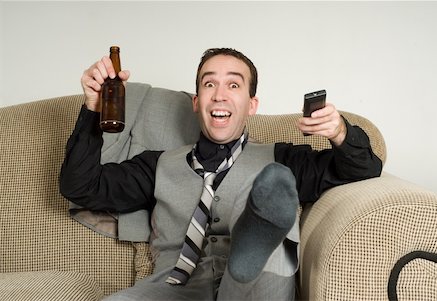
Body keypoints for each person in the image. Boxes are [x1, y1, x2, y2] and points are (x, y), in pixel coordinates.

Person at [60, 48, 382, 300]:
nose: (220, 94)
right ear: (197, 102)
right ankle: (252, 241)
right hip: (176, 285)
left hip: (259, 287)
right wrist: (92, 107)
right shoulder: (156, 165)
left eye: (233, 84)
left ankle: (255, 235)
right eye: (209, 83)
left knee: (266, 218)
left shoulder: (282, 160)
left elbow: (363, 170)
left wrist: (341, 133)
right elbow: (81, 187)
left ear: (251, 104)